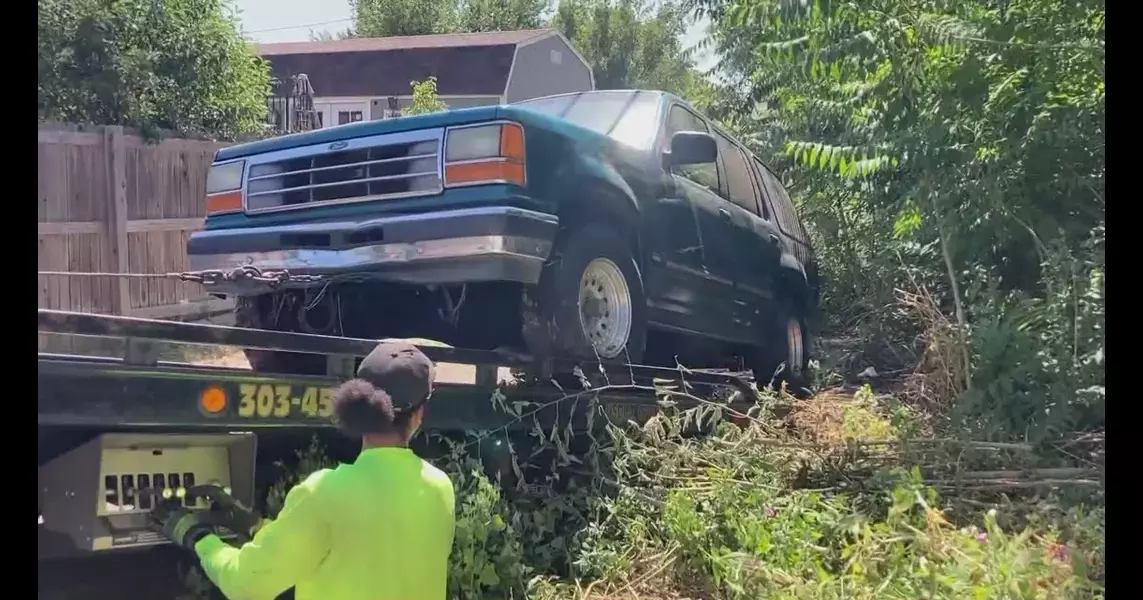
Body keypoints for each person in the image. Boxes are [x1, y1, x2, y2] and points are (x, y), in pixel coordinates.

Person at [151, 342, 456, 600]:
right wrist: (257, 527)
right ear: (420, 415)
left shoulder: (324, 494)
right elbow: (362, 546)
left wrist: (196, 535)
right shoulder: (440, 487)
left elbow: (246, 583)